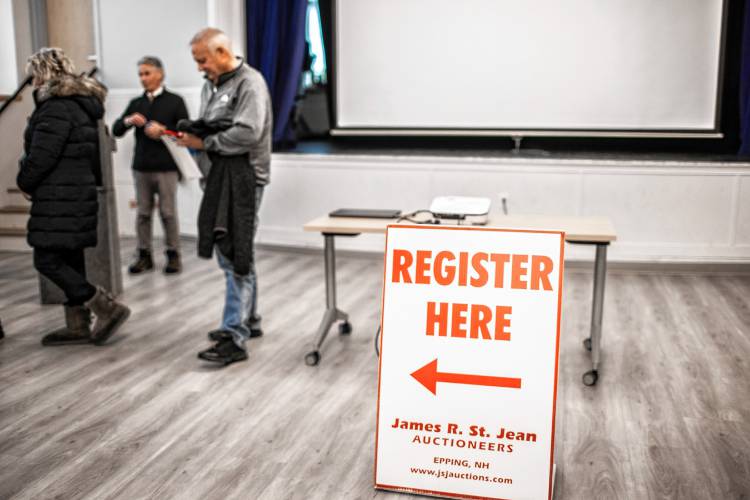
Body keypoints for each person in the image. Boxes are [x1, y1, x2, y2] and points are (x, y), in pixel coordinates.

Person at [17, 48, 130, 346]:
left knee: (47, 259)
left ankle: (105, 307)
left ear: (43, 74)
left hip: (59, 196)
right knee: (70, 256)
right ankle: (77, 325)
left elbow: (41, 157)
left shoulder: (54, 108)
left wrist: (24, 181)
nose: (31, 84)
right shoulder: (81, 106)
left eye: (33, 76)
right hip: (77, 193)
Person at [179, 28, 271, 365]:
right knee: (236, 252)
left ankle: (234, 335)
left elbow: (248, 133)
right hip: (219, 179)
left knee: (236, 253)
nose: (200, 67)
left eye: (202, 60)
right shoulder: (211, 84)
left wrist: (205, 143)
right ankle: (250, 319)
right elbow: (214, 124)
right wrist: (194, 129)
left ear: (221, 52)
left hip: (245, 180)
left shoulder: (250, 83)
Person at [113, 56, 189, 274]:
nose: (143, 78)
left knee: (168, 213)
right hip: (141, 167)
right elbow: (117, 130)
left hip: (167, 167)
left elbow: (184, 132)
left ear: (160, 74)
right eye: (140, 74)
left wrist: (164, 130)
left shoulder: (175, 101)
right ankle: (144, 255)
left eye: (147, 73)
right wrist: (128, 121)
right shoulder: (136, 104)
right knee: (143, 214)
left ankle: (173, 255)